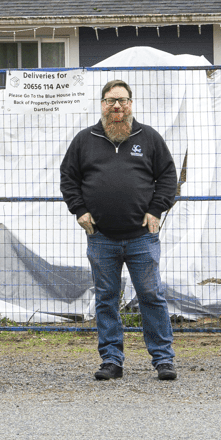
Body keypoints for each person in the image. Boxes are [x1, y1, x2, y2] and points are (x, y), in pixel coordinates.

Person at [59, 78, 179, 381]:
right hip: (101, 238)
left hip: (142, 237)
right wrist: (79, 210)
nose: (117, 106)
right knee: (106, 298)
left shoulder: (148, 138)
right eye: (111, 101)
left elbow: (168, 176)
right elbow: (68, 178)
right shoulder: (84, 140)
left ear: (130, 104)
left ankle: (163, 359)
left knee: (151, 295)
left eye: (122, 100)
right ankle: (111, 360)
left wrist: (156, 209)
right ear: (102, 105)